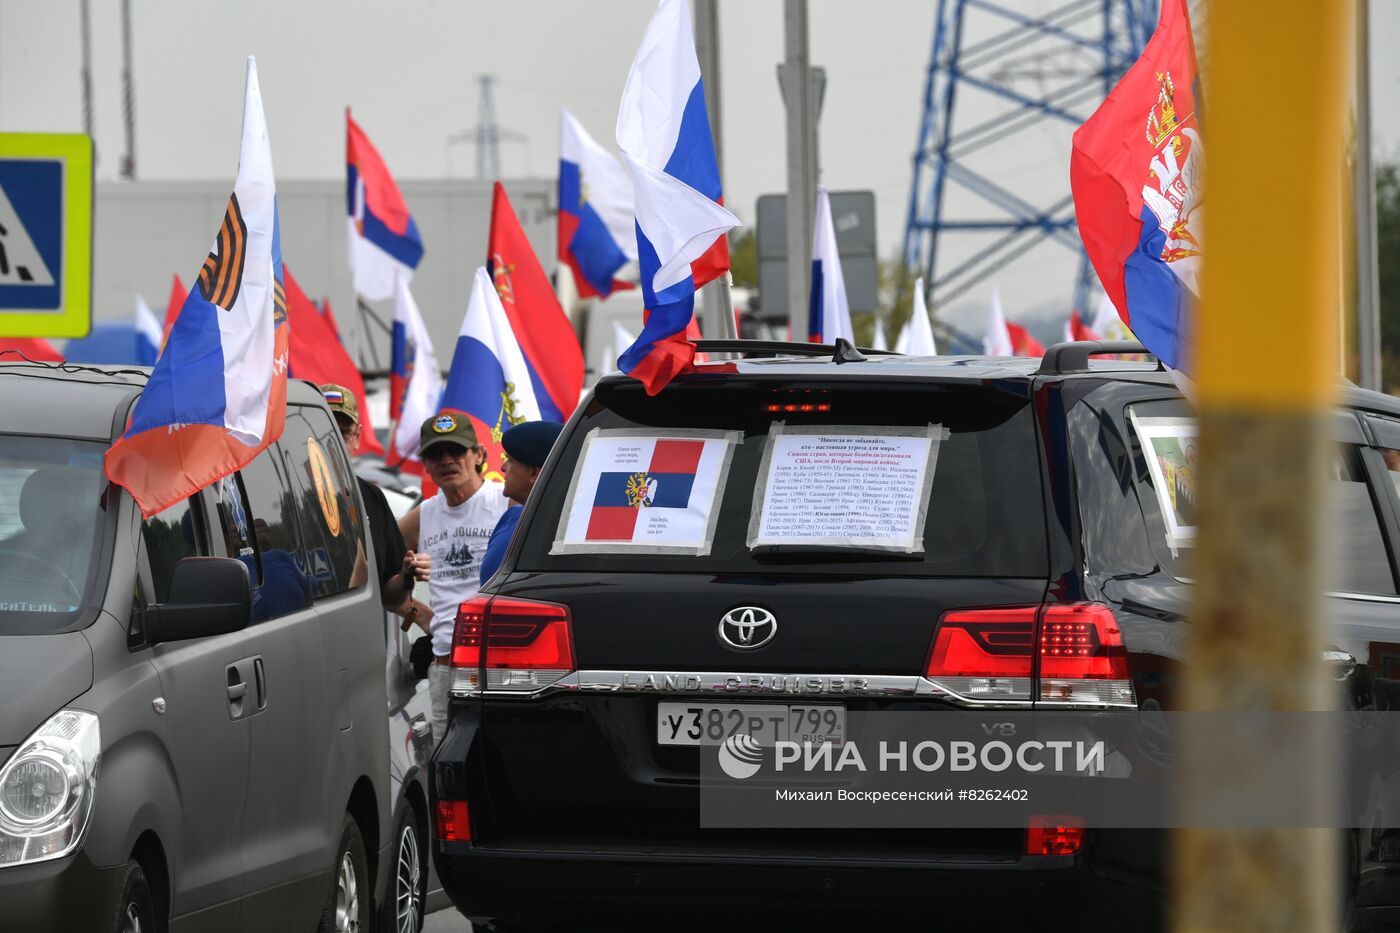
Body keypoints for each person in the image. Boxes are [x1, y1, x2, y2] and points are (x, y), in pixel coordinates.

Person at [399, 410, 510, 743]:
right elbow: (369, 570)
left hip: (499, 663)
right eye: (435, 454)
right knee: (449, 770)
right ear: (426, 465)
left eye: (456, 451)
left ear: (478, 455)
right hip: (446, 665)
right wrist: (420, 616)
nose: (446, 460)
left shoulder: (504, 501)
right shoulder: (424, 514)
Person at [321, 385, 429, 623]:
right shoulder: (288, 495)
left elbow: (391, 597)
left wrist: (404, 575)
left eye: (343, 433)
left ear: (357, 436)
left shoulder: (370, 498)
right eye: (324, 430)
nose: (333, 441)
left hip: (360, 639)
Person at [480, 421, 564, 583]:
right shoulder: (511, 518)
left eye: (510, 460)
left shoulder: (566, 531)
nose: (503, 468)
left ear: (533, 472)